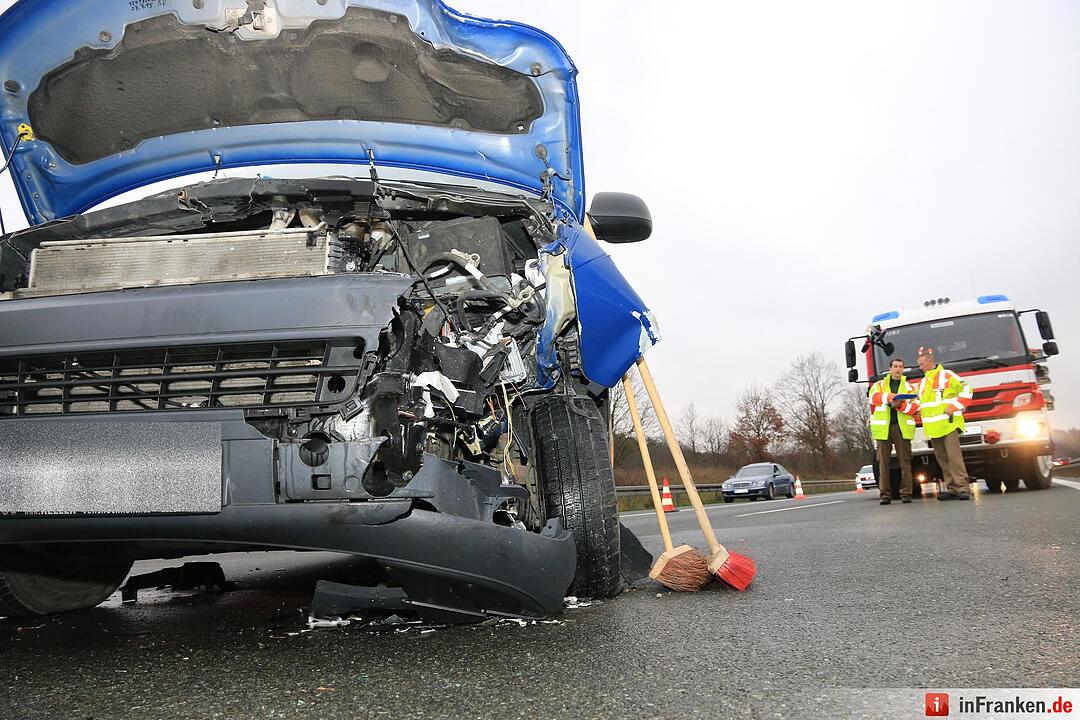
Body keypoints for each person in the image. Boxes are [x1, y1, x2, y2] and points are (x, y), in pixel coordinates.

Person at [914, 347, 975, 500]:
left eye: (922, 364)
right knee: (942, 459)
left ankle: (963, 487)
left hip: (948, 424)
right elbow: (919, 401)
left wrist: (955, 407)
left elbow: (967, 389)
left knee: (954, 458)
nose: (920, 368)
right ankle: (952, 488)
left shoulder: (947, 375)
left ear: (930, 362)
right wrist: (917, 409)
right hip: (933, 427)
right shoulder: (922, 382)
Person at [868, 358, 918, 504]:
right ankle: (885, 494)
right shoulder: (879, 385)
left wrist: (900, 406)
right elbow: (873, 398)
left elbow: (915, 407)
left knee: (905, 462)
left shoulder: (909, 387)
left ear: (903, 369)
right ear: (890, 368)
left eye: (901, 367)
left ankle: (906, 493)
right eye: (895, 366)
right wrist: (890, 398)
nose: (898, 369)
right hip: (884, 428)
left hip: (902, 428)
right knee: (883, 463)